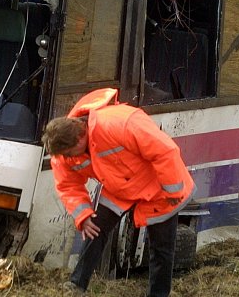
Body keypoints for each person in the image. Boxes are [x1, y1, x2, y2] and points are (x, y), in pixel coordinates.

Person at [41, 88, 196, 297]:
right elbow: (68, 186)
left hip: (159, 188)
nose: (67, 159)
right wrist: (83, 215)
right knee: (94, 229)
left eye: (69, 154)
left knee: (161, 248)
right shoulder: (63, 151)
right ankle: (76, 286)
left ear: (80, 137)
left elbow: (165, 151)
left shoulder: (120, 123)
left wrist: (173, 190)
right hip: (118, 189)